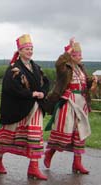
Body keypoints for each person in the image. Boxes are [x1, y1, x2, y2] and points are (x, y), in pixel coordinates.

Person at [0, 34, 50, 180]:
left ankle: (33, 168)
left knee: (36, 135)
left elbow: (46, 83)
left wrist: (43, 93)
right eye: (27, 49)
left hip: (35, 107)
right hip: (19, 108)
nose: (30, 51)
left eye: (31, 49)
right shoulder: (14, 69)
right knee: (7, 138)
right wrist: (32, 94)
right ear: (19, 51)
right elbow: (12, 88)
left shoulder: (37, 67)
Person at [44, 38, 98, 174]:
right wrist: (68, 50)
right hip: (69, 102)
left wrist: (93, 80)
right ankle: (50, 153)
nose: (81, 57)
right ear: (72, 57)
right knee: (64, 131)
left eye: (80, 54)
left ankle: (77, 163)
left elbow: (84, 83)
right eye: (78, 55)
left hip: (82, 102)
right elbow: (58, 63)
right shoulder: (65, 68)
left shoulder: (81, 68)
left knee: (80, 132)